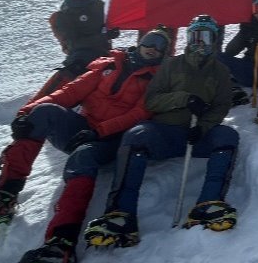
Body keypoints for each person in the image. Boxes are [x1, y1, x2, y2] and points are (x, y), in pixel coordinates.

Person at [0, 29, 171, 263]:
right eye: (150, 42)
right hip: (83, 129)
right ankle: (5, 194)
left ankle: (61, 243)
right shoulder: (109, 65)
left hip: (113, 141)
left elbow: (139, 114)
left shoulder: (159, 79)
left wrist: (99, 132)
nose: (153, 48)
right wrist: (27, 113)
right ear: (140, 42)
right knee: (43, 112)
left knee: (83, 156)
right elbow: (70, 92)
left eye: (160, 46)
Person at [84, 15, 239, 248]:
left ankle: (209, 203)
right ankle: (120, 213)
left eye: (206, 37)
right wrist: (183, 99)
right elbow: (152, 100)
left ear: (214, 40)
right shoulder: (171, 65)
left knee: (227, 136)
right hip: (165, 132)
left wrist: (203, 127)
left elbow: (221, 106)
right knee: (136, 136)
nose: (200, 43)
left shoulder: (220, 72)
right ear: (188, 38)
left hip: (196, 134)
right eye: (195, 36)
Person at [39, 0, 119, 98]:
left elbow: (112, 21)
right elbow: (74, 43)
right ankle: (41, 104)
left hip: (104, 54)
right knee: (68, 83)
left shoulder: (99, 5)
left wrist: (114, 29)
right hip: (80, 59)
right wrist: (103, 36)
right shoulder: (62, 16)